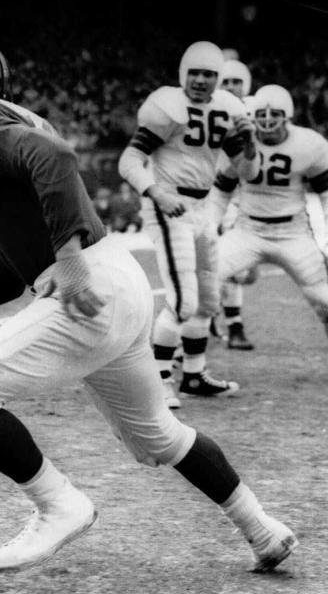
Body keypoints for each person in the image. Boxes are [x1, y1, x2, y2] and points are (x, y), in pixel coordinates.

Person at [0, 40, 297, 574]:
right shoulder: (13, 120)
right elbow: (4, 275)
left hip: (88, 287)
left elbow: (55, 158)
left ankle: (59, 504)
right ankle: (262, 528)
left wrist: (67, 258)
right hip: (118, 282)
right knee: (159, 436)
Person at [118, 41, 256, 409]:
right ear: (183, 74)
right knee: (183, 301)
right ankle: (158, 381)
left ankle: (193, 374)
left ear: (218, 79)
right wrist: (157, 193)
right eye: (194, 72)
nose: (200, 80)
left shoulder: (227, 109)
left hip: (203, 207)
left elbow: (248, 172)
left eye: (209, 74)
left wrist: (251, 143)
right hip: (169, 204)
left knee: (209, 301)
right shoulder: (167, 106)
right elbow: (129, 160)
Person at [199, 85, 328, 344]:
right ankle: (186, 362)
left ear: (288, 117)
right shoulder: (239, 140)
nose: (268, 124)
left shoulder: (309, 144)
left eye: (275, 117)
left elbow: (326, 194)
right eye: (262, 117)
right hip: (248, 230)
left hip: (293, 233)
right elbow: (222, 191)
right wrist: (209, 227)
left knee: (323, 300)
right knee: (201, 284)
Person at [212, 58, 258, 350]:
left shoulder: (257, 109)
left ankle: (214, 314)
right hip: (218, 192)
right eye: (226, 82)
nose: (230, 87)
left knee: (246, 271)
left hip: (252, 193)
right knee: (223, 263)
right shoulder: (211, 108)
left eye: (236, 81)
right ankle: (234, 326)